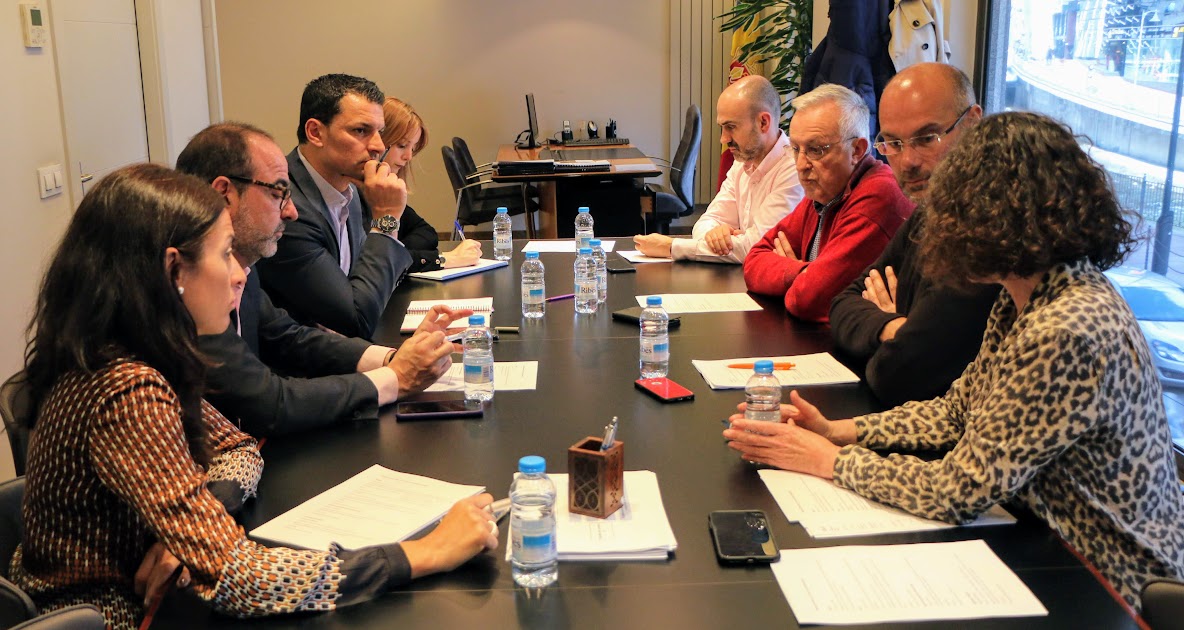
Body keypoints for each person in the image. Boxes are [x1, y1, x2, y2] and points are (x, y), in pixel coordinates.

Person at [723, 112, 1184, 609]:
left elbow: (958, 490)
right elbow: (955, 411)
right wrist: (837, 430)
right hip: (1048, 545)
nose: (947, 228)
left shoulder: (1065, 329)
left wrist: (826, 459)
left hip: (1109, 585)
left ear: (1010, 219)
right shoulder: (1024, 296)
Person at [13, 163, 497, 628]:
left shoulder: (138, 353)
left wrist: (196, 519)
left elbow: (237, 447)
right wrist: (426, 551)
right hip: (119, 616)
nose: (240, 274)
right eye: (225, 253)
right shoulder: (126, 388)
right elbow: (241, 578)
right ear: (174, 270)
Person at [176, 122, 463, 436]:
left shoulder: (244, 262)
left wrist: (392, 359)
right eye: (278, 193)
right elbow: (267, 402)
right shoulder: (188, 284)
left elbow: (287, 337)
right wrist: (397, 378)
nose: (291, 212)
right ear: (223, 194)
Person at [829, 63, 997, 406]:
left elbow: (896, 377)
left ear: (973, 123)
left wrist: (891, 335)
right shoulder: (932, 208)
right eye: (893, 143)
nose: (908, 161)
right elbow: (843, 302)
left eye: (926, 138)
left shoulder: (987, 229)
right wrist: (892, 327)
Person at [254, 73, 410, 339]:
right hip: (302, 358)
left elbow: (364, 288)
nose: (378, 146)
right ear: (315, 133)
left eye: (380, 132)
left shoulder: (350, 189)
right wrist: (387, 219)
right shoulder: (287, 208)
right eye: (360, 131)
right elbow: (356, 319)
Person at [742, 84, 912, 322]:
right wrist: (804, 271)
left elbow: (809, 300)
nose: (801, 165)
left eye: (816, 150)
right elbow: (753, 262)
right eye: (795, 149)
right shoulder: (824, 192)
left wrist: (796, 275)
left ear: (857, 150)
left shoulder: (879, 196)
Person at [632, 75, 802, 263]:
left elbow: (757, 248)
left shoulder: (794, 170)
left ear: (763, 122)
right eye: (722, 128)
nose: (723, 139)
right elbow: (705, 222)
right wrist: (716, 236)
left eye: (731, 127)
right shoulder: (742, 162)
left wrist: (672, 247)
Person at [380, 97, 482, 272]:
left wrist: (402, 254)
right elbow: (381, 263)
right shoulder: (356, 196)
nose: (408, 157)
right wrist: (444, 259)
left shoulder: (387, 188)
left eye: (412, 148)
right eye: (402, 145)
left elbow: (427, 232)